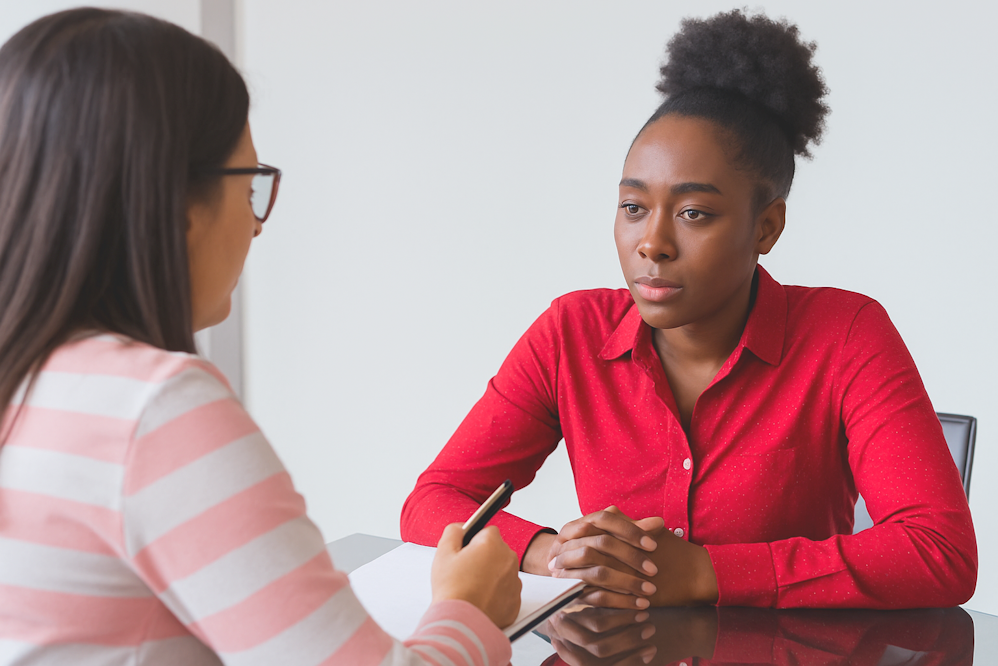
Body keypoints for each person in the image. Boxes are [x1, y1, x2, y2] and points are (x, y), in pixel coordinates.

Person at [401, 9, 977, 610]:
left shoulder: (846, 335)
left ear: (767, 227)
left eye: (693, 213)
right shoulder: (569, 333)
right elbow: (434, 500)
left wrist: (707, 572)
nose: (652, 243)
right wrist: (553, 554)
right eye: (632, 207)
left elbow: (938, 553)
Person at [0, 9, 519, 665]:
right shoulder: (153, 410)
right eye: (250, 187)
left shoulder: (32, 383)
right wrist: (469, 611)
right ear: (175, 202)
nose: (257, 227)